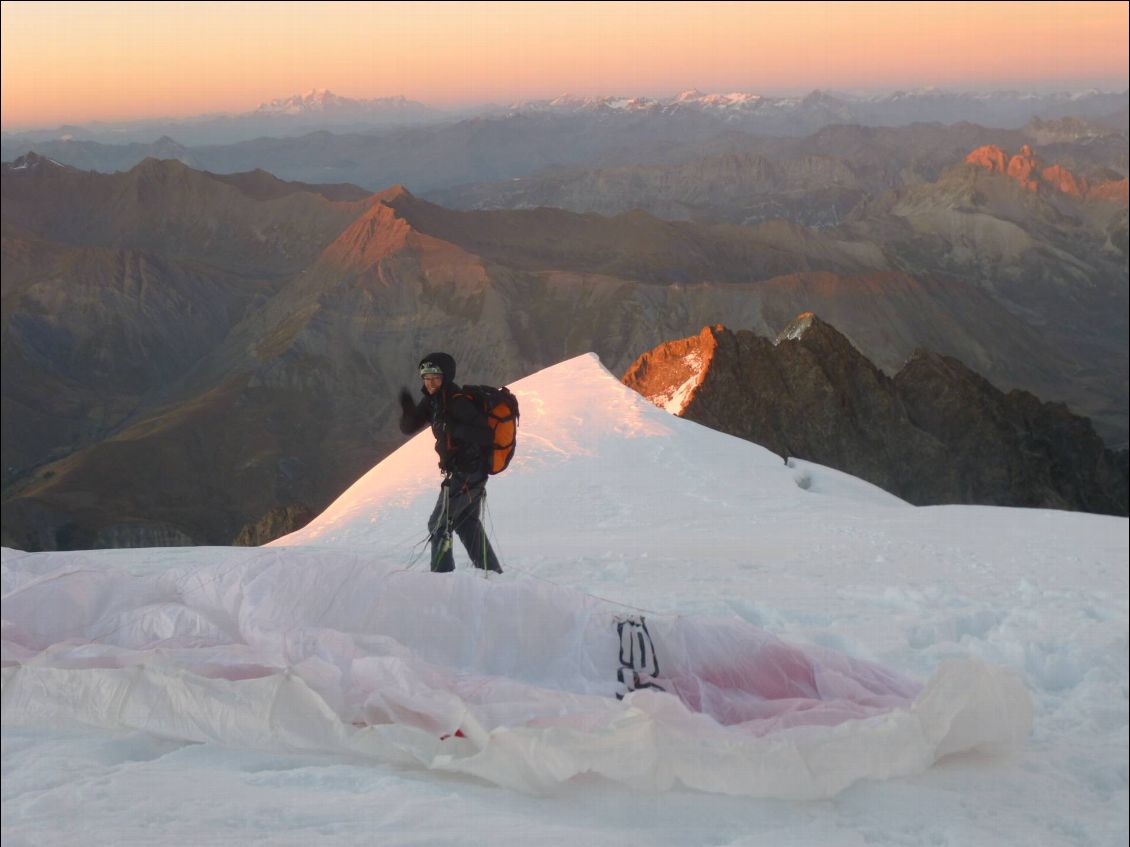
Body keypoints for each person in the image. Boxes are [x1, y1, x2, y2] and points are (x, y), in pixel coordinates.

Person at [398, 352, 502, 574]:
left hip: (468, 472)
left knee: (438, 524)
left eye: (435, 377)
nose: (430, 382)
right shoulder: (434, 401)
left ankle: (442, 579)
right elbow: (409, 427)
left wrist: (453, 429)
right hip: (465, 471)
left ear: (446, 376)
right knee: (466, 522)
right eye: (426, 377)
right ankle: (493, 574)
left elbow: (486, 435)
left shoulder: (457, 402)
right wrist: (408, 408)